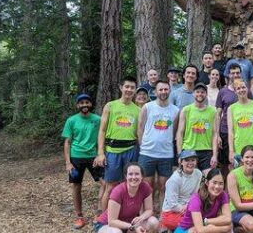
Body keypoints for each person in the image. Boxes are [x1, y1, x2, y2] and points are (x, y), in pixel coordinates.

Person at [94, 76, 141, 211]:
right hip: (113, 151)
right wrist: (101, 153)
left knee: (130, 185)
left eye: (132, 87)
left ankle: (125, 214)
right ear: (121, 88)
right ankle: (104, 217)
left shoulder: (137, 110)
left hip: (131, 150)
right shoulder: (110, 106)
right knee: (110, 186)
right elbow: (102, 130)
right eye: (127, 87)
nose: (129, 90)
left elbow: (139, 133)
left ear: (135, 90)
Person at [62, 93, 105, 229]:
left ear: (91, 104)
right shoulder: (71, 120)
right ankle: (79, 217)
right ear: (77, 105)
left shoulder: (98, 119)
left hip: (94, 156)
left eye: (87, 102)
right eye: (81, 103)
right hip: (76, 157)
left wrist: (100, 154)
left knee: (105, 183)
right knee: (76, 186)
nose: (84, 105)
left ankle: (100, 213)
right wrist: (68, 162)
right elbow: (67, 142)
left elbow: (102, 137)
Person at [137, 80, 179, 214]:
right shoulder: (147, 107)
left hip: (166, 154)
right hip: (147, 153)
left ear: (169, 90)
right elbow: (140, 128)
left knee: (163, 186)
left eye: (166, 89)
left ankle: (162, 215)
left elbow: (174, 131)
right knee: (147, 185)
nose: (163, 92)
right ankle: (146, 213)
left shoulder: (175, 110)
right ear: (155, 91)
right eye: (160, 90)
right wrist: (142, 145)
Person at [95, 163, 160, 233]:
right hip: (107, 225)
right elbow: (112, 221)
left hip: (130, 224)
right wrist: (134, 227)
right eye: (130, 174)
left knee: (153, 222)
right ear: (126, 176)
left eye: (137, 174)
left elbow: (149, 210)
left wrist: (142, 217)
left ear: (142, 176)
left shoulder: (145, 187)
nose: (134, 177)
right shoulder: (118, 191)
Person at [174, 168, 232, 233]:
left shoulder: (222, 195)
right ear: (207, 183)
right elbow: (200, 230)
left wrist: (207, 221)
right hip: (184, 231)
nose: (217, 187)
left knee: (214, 227)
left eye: (221, 184)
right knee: (205, 231)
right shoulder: (196, 199)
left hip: (204, 225)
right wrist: (224, 229)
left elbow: (228, 219)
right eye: (214, 182)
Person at [176, 82, 219, 171]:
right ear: (193, 93)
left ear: (206, 94)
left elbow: (215, 134)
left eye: (203, 92)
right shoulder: (186, 110)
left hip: (206, 150)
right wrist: (180, 154)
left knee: (207, 179)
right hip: (189, 149)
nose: (200, 94)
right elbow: (180, 133)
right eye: (198, 92)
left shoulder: (213, 111)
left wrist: (215, 155)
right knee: (189, 180)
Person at [160, 150, 203, 232]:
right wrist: (189, 208)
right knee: (196, 224)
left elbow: (195, 194)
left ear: (196, 162)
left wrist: (191, 207)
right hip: (171, 212)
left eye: (193, 160)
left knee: (202, 220)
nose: (190, 163)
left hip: (188, 208)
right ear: (181, 162)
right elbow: (173, 205)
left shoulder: (198, 174)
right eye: (187, 160)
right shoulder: (175, 179)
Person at [227, 79, 253, 167]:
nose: (241, 90)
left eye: (243, 87)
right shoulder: (231, 108)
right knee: (239, 177)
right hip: (238, 148)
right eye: (238, 88)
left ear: (247, 89)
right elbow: (231, 131)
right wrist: (231, 151)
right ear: (235, 91)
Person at [216, 63, 243, 178]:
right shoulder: (223, 91)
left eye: (237, 72)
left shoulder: (244, 90)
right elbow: (218, 114)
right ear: (228, 75)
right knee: (224, 164)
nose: (235, 75)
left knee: (239, 162)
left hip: (241, 131)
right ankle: (224, 190)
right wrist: (217, 135)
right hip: (225, 131)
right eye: (233, 73)